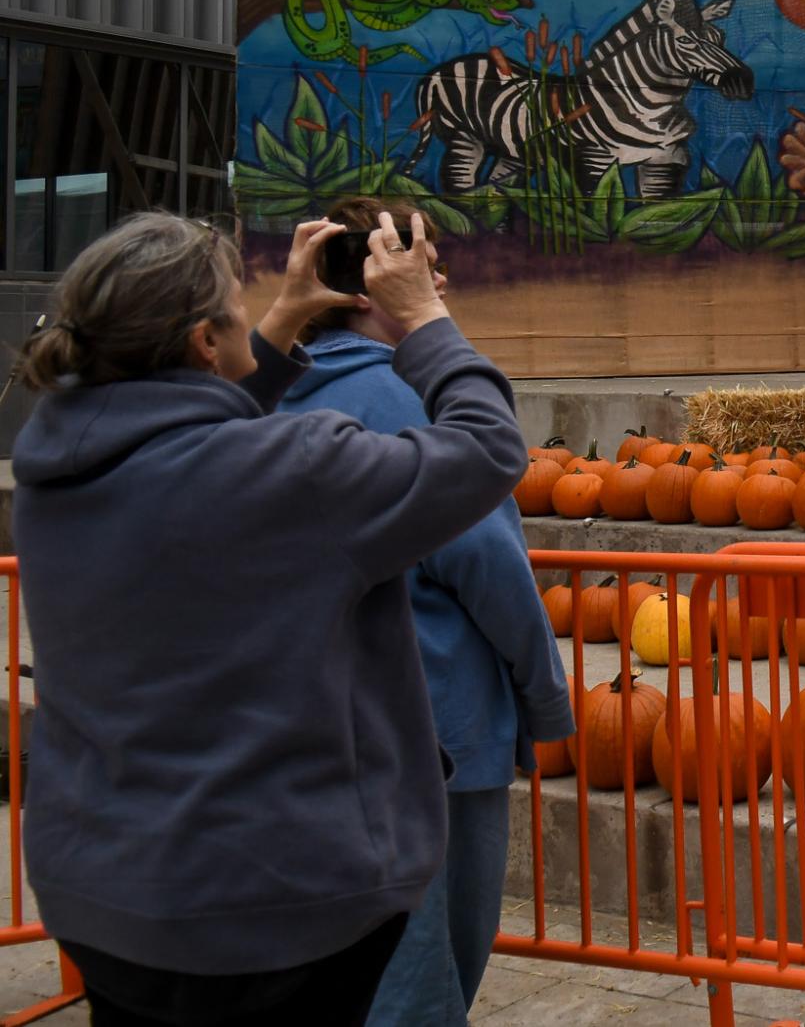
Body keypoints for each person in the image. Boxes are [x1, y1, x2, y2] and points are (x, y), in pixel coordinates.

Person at [11, 210, 523, 1026]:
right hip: (268, 909)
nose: (254, 310)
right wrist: (427, 316)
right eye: (237, 304)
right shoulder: (296, 471)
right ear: (204, 343)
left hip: (105, 897)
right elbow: (488, 450)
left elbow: (184, 435)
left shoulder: (55, 467)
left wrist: (282, 321)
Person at [279, 196, 571, 1024]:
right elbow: (486, 561)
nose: (439, 278)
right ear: (374, 283)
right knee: (423, 972)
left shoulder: (263, 397)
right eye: (422, 263)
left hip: (308, 733)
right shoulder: (410, 402)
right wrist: (541, 697)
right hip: (436, 736)